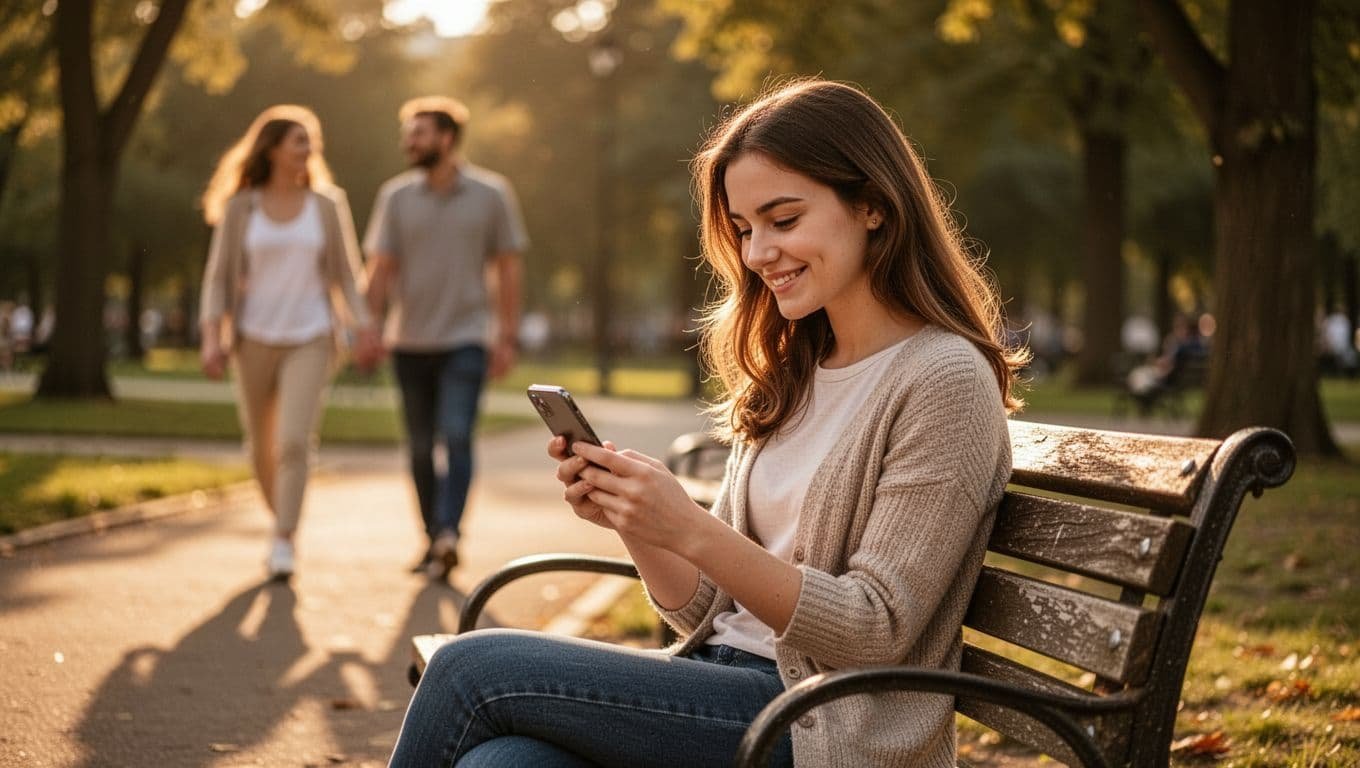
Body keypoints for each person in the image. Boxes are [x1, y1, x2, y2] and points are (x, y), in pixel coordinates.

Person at [388, 79, 1026, 767]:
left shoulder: (943, 380)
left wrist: (690, 526)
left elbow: (876, 629)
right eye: (745, 229)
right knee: (503, 765)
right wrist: (639, 524)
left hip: (820, 722)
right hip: (728, 690)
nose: (755, 254)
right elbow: (705, 614)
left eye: (783, 221)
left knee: (468, 669)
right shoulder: (797, 370)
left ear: (872, 205)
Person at [199, 104, 379, 580]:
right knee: (260, 448)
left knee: (294, 441)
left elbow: (346, 272)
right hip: (252, 337)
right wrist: (210, 338)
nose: (309, 148)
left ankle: (283, 538)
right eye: (299, 139)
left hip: (312, 336)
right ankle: (282, 518)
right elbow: (218, 277)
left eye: (311, 140)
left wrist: (363, 329)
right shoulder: (243, 206)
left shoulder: (327, 204)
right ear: (273, 147)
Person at [363, 96, 528, 581]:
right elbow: (380, 269)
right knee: (418, 446)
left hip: (466, 338)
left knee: (455, 434)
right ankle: (433, 538)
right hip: (408, 341)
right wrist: (369, 328)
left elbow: (508, 267)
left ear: (447, 138)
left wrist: (506, 335)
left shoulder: (491, 194)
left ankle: (450, 532)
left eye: (418, 133)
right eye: (408, 133)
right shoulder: (395, 197)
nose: (408, 142)